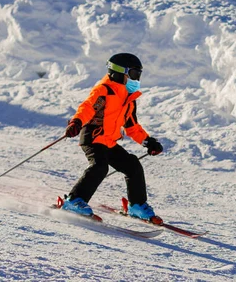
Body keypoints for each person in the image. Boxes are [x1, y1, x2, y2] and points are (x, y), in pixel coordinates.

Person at [61, 53, 163, 221]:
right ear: (119, 72)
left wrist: (148, 141)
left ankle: (136, 205)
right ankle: (74, 200)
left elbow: (131, 126)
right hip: (93, 137)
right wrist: (76, 122)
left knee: (133, 165)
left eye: (138, 75)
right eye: (133, 74)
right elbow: (87, 107)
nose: (136, 79)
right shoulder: (104, 91)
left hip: (109, 141)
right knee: (100, 167)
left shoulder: (128, 99)